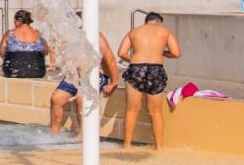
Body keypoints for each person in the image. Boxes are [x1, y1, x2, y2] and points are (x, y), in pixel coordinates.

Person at [117, 11, 182, 149]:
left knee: (131, 110)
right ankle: (158, 147)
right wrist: (161, 52)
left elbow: (121, 53)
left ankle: (127, 146)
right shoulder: (164, 32)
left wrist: (134, 60)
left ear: (146, 21)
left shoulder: (134, 32)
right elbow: (176, 53)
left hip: (136, 69)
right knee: (155, 111)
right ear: (160, 22)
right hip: (156, 70)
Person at [50, 22, 119, 134]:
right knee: (56, 98)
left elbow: (110, 59)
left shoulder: (97, 37)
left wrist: (114, 82)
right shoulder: (71, 37)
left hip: (95, 76)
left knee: (81, 100)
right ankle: (54, 134)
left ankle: (82, 136)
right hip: (75, 76)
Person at [0, 10, 48, 78]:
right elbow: (46, 51)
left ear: (17, 20)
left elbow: (1, 52)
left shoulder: (10, 34)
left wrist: (13, 57)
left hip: (12, 71)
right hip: (38, 72)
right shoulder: (39, 33)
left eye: (14, 20)